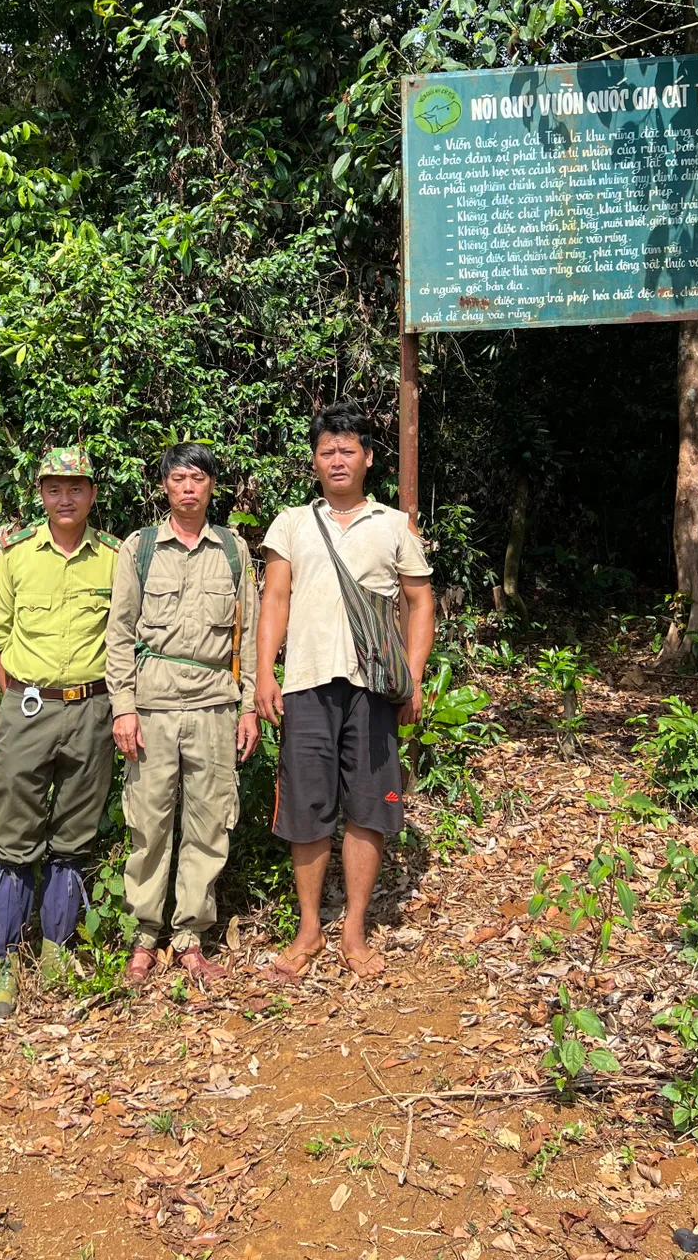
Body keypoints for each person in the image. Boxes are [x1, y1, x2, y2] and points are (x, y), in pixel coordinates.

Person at [255, 401, 434, 980]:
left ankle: (354, 926)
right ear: (314, 461)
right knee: (306, 806)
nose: (337, 459)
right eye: (327, 450)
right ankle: (310, 926)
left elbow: (419, 602)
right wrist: (263, 673)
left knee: (367, 808)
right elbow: (274, 600)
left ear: (368, 458)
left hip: (373, 688)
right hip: (307, 682)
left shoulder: (393, 525)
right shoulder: (290, 523)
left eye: (348, 449)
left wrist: (413, 676)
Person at [106, 443, 260, 987]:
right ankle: (145, 935)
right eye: (179, 479)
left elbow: (251, 637)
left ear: (212, 486)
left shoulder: (234, 551)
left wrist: (249, 708)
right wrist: (123, 708)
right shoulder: (141, 548)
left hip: (216, 705)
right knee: (148, 823)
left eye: (198, 478)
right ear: (165, 487)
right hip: (152, 708)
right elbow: (120, 634)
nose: (189, 488)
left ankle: (190, 934)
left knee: (208, 823)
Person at [0, 446, 120, 1021]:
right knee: (14, 834)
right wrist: (0, 719)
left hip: (92, 709)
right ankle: (7, 961)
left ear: (91, 493)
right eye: (54, 488)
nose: (66, 499)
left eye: (76, 488)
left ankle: (57, 947)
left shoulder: (115, 556)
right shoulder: (15, 556)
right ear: (41, 494)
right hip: (28, 707)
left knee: (74, 835)